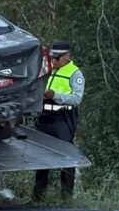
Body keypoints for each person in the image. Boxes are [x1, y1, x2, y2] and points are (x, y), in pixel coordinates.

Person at [34, 41, 85, 201]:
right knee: (42, 156)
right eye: (52, 58)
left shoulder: (75, 73)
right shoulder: (48, 69)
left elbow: (76, 98)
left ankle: (66, 197)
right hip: (45, 116)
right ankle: (38, 196)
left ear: (67, 56)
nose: (54, 61)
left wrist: (55, 95)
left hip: (63, 118)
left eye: (57, 58)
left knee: (66, 155)